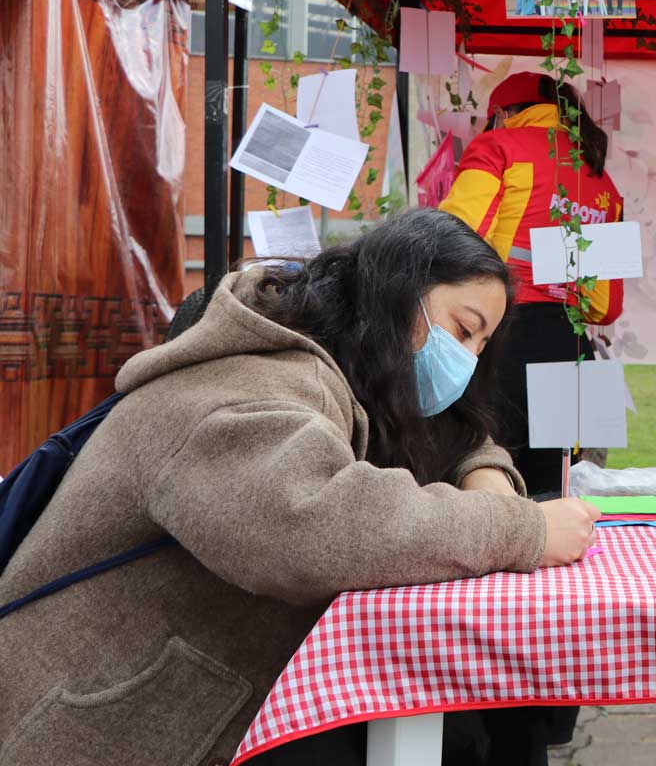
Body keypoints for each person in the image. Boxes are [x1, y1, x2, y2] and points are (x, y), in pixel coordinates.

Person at [0, 209, 602, 766]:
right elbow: (312, 523)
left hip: (193, 705)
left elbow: (449, 435)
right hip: (88, 728)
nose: (466, 359)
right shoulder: (256, 378)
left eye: (480, 345)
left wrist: (484, 472)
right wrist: (521, 528)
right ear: (398, 291)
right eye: (462, 330)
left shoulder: (349, 368)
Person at [440, 71, 624, 497]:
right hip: (570, 346)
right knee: (557, 491)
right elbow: (606, 306)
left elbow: (451, 241)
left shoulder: (497, 147)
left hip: (501, 342)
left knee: (486, 483)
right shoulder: (602, 181)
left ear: (503, 115)